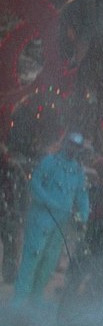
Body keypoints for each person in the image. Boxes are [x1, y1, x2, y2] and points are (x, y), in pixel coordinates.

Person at [13, 132, 90, 308]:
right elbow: (35, 184)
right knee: (33, 257)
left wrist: (82, 216)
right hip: (41, 218)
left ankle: (35, 299)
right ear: (65, 144)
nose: (73, 149)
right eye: (71, 144)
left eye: (77, 147)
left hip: (61, 223)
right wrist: (49, 201)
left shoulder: (77, 171)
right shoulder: (49, 162)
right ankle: (19, 300)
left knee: (50, 260)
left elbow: (82, 195)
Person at [0, 143, 27, 285]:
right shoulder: (14, 168)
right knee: (11, 246)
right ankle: (9, 275)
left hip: (10, 214)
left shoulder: (14, 169)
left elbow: (24, 190)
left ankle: (10, 275)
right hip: (10, 213)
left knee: (11, 247)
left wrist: (21, 211)